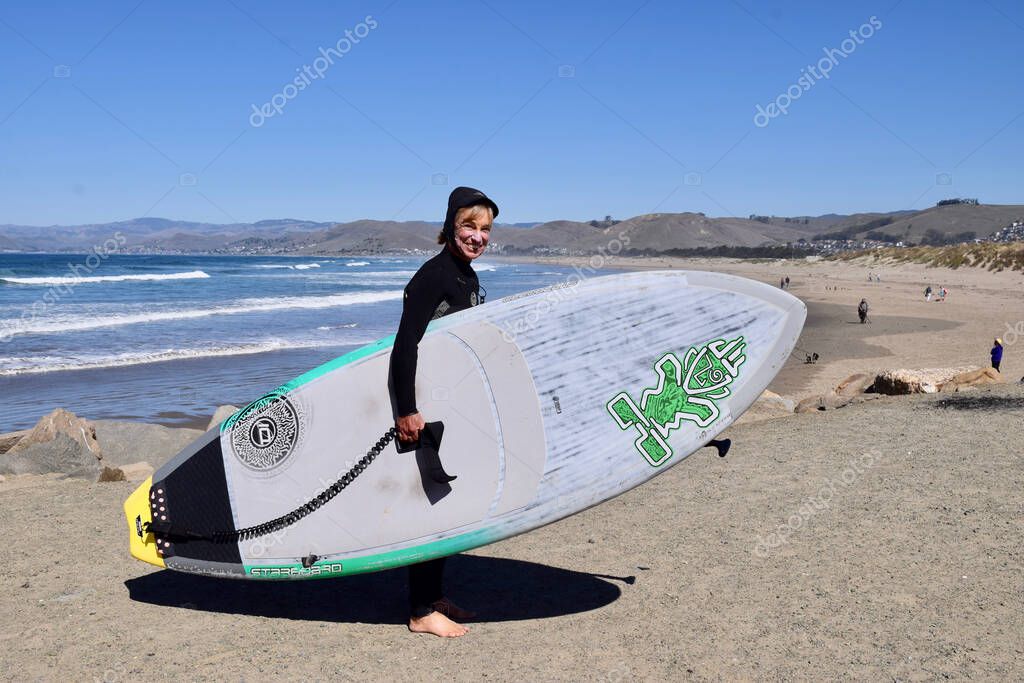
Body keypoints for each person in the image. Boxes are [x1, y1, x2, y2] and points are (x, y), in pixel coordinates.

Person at [390, 186, 499, 638]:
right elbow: (404, 347)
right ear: (451, 225)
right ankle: (419, 612)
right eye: (469, 226)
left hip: (450, 403)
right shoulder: (433, 276)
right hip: (425, 408)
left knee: (447, 503)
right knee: (430, 505)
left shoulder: (465, 276)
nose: (477, 236)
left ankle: (433, 597)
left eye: (485, 229)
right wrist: (407, 410)